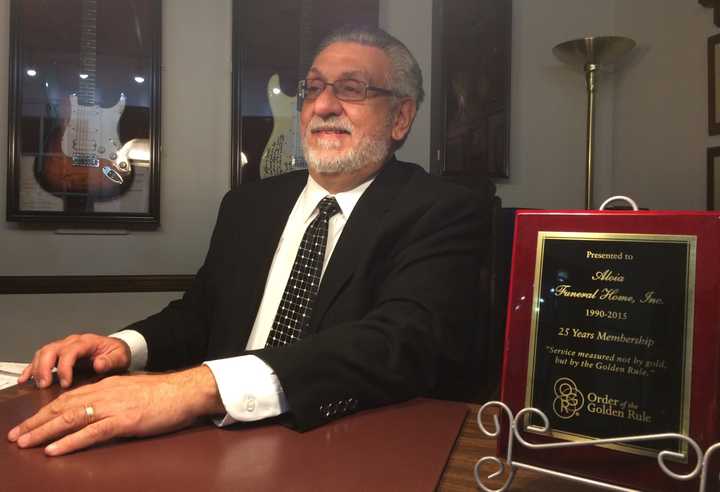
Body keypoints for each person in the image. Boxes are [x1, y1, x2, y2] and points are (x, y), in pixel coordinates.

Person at [7, 26, 488, 457]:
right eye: (314, 88)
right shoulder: (248, 204)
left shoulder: (442, 209)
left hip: (344, 445)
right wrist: (124, 346)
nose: (322, 106)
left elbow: (398, 342)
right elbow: (200, 315)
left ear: (400, 117)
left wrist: (197, 388)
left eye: (352, 89)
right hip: (215, 442)